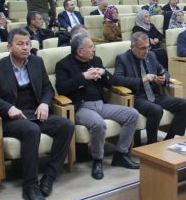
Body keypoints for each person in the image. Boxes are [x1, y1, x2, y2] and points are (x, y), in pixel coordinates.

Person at [0, 29, 74, 200]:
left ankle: (49, 176)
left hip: (36, 112)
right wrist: (9, 108)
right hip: (13, 118)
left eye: (28, 44)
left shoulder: (36, 62)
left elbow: (48, 88)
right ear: (9, 47)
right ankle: (30, 185)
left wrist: (45, 103)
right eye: (20, 44)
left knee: (66, 125)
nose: (25, 48)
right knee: (32, 130)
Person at [55, 34, 139, 180]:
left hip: (101, 104)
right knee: (98, 124)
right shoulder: (63, 65)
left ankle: (121, 154)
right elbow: (61, 88)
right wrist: (83, 77)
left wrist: (104, 73)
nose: (94, 49)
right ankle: (98, 160)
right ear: (80, 51)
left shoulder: (96, 60)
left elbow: (112, 82)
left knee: (132, 114)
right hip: (81, 107)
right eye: (91, 47)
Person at [114, 32, 186, 144]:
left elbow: (163, 70)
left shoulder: (151, 55)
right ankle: (152, 143)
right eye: (142, 48)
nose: (146, 51)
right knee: (156, 110)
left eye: (148, 47)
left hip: (154, 95)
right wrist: (142, 80)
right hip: (136, 98)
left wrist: (164, 78)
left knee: (184, 104)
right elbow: (117, 79)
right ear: (132, 47)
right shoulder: (123, 58)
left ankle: (169, 138)